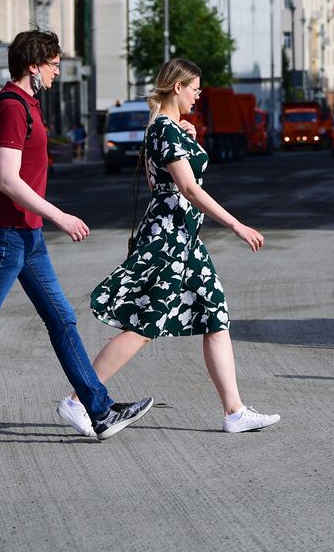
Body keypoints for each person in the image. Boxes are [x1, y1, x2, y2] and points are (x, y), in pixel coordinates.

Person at [0, 30, 153, 451]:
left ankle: (99, 410)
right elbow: (5, 179)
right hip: (9, 238)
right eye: (54, 64)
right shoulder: (10, 107)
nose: (58, 71)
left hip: (26, 236)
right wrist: (58, 215)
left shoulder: (27, 106)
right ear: (33, 65)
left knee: (62, 320)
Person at [78, 58, 280, 435]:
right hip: (169, 240)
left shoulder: (166, 128)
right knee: (145, 324)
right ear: (177, 87)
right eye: (194, 89)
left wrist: (186, 137)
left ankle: (234, 411)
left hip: (185, 239)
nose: (198, 96)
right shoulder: (165, 131)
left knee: (216, 318)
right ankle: (79, 400)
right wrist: (237, 224)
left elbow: (163, 184)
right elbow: (187, 189)